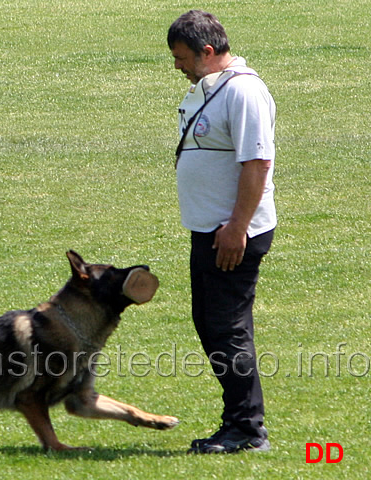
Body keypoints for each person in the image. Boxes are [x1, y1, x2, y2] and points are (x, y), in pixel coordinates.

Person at [167, 10, 276, 454]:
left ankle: (247, 431)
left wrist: (237, 227)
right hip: (211, 228)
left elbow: (257, 164)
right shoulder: (209, 89)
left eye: (181, 57)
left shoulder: (244, 91)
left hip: (231, 233)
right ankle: (239, 424)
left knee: (226, 329)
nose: (177, 66)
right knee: (213, 326)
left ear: (207, 52)